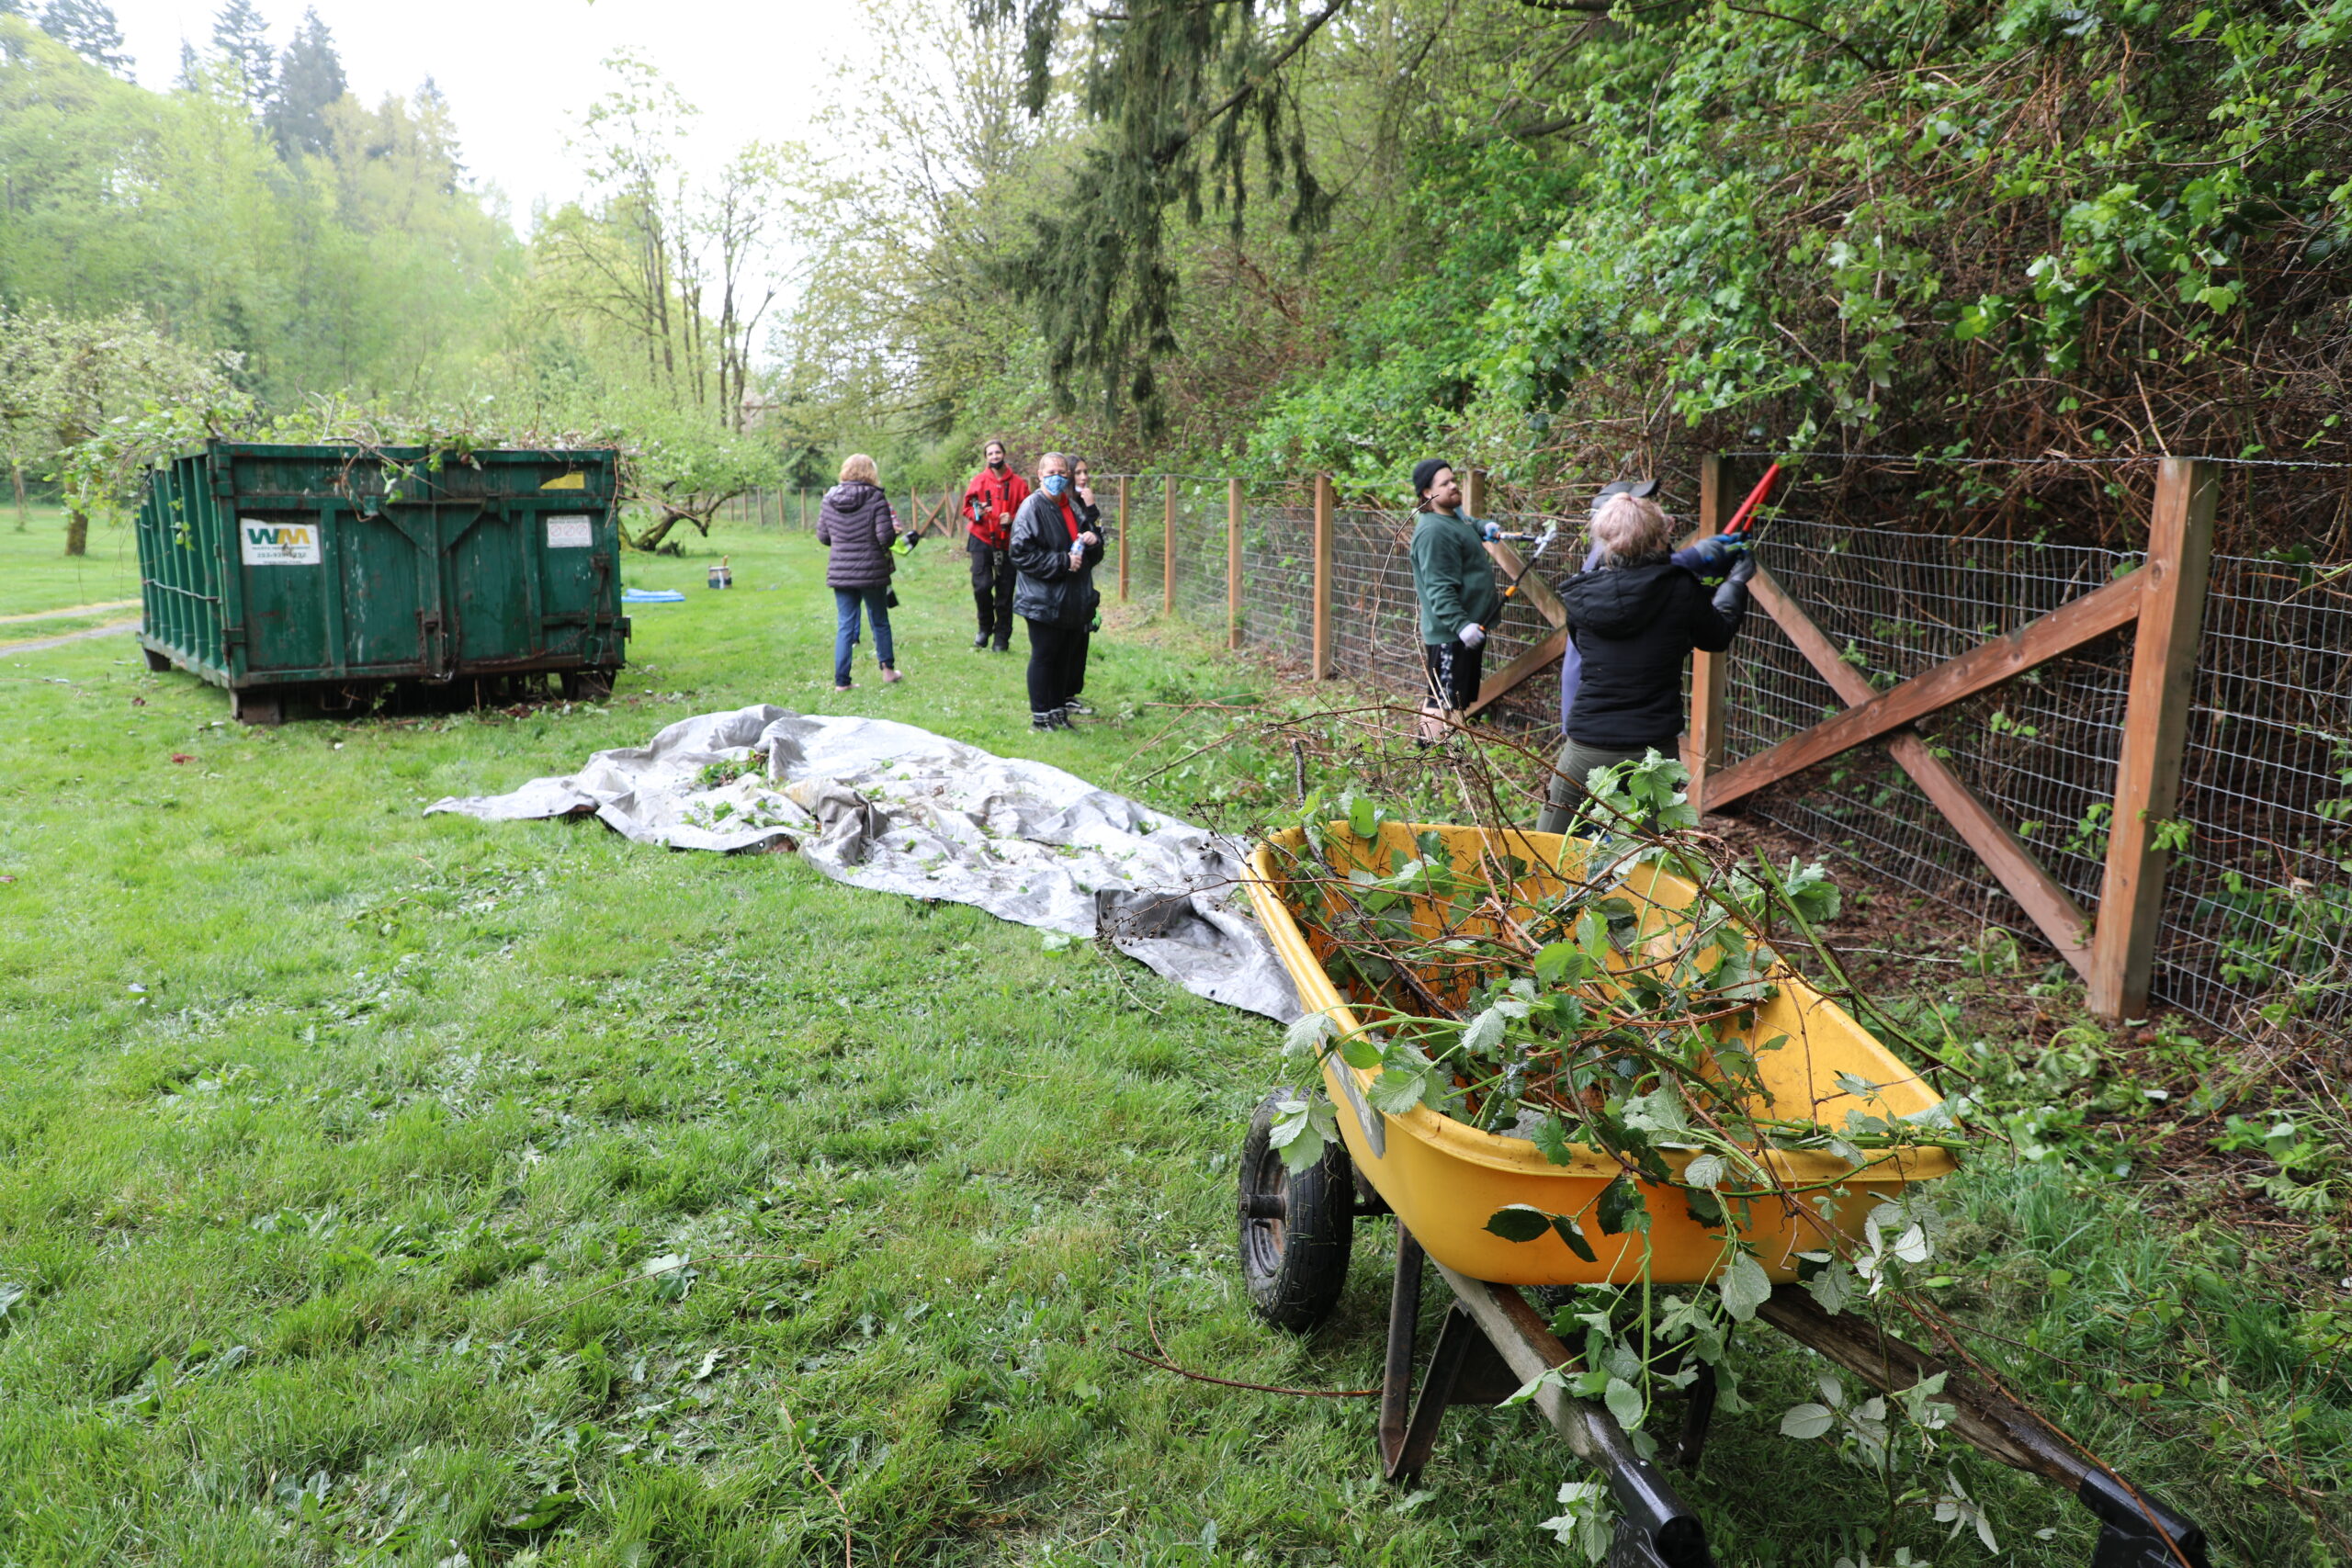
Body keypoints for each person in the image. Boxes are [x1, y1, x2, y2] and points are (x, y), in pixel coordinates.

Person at [1535, 487, 1754, 834]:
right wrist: (1735, 584)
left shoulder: (1581, 594)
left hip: (1587, 745)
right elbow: (1716, 635)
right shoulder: (1680, 589)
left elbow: (1587, 644)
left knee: (1547, 848)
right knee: (1647, 854)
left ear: (1606, 541)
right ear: (1658, 538)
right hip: (1652, 750)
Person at [1008, 452, 1104, 730]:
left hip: (1071, 599)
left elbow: (1092, 555)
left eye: (1062, 473)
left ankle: (1058, 712)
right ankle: (1040, 717)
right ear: (1040, 476)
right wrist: (1062, 562)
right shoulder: (1031, 508)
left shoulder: (1072, 507)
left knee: (1064, 658)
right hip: (1042, 598)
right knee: (1045, 656)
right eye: (1051, 473)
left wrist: (1093, 541)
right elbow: (1020, 553)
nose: (1057, 478)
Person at [1407, 458, 1504, 733]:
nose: (1452, 486)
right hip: (1452, 631)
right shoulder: (1434, 532)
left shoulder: (1452, 516)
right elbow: (1438, 588)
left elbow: (1468, 524)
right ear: (1427, 492)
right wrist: (1461, 626)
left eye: (1453, 480)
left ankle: (1450, 752)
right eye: (1444, 483)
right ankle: (1430, 753)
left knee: (1454, 698)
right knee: (1440, 699)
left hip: (1466, 627)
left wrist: (1484, 527)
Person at [816, 453, 903, 692]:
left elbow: (823, 536)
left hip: (841, 570)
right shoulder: (876, 497)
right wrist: (892, 532)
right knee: (879, 620)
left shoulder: (829, 498)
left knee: (845, 624)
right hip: (871, 570)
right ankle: (888, 671)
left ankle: (842, 682)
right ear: (870, 472)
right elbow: (885, 537)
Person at [962, 439, 1029, 653]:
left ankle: (1002, 637)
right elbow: (967, 508)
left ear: (1004, 454)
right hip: (981, 538)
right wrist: (978, 512)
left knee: (1005, 591)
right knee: (982, 586)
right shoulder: (978, 481)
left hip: (1008, 542)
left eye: (997, 452)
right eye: (990, 454)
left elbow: (1029, 512)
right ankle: (984, 627)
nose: (994, 457)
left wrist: (1013, 518)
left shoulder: (1019, 484)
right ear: (986, 457)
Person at [1062, 457, 1107, 715]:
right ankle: (1056, 695)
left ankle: (1070, 693)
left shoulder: (1086, 506)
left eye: (1086, 472)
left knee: (1082, 638)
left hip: (1084, 582)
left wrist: (1092, 510)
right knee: (1063, 641)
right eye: (1078, 472)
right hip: (1062, 580)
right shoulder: (1060, 505)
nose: (1084, 477)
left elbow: (1099, 549)